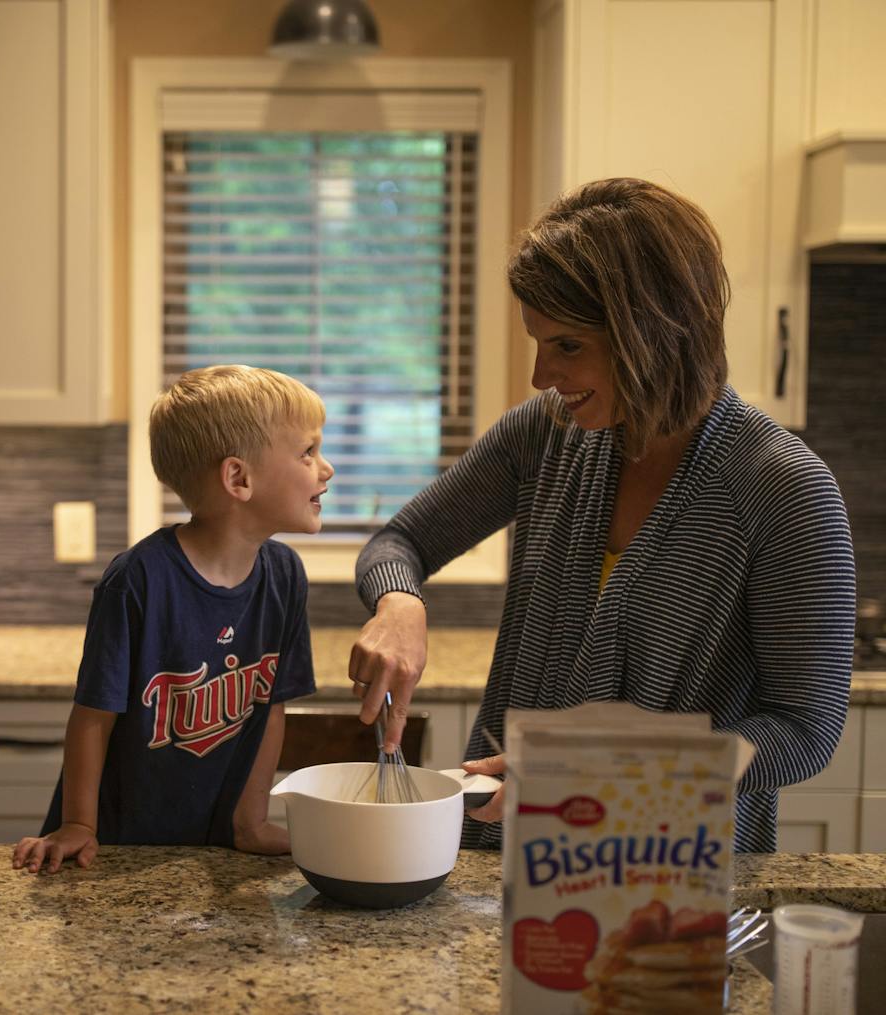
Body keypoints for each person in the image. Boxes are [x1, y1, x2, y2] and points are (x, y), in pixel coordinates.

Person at [347, 178, 855, 853]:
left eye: (566, 346)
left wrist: (606, 773)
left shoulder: (783, 490)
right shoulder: (546, 434)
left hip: (669, 868)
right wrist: (398, 603)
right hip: (501, 851)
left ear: (652, 332)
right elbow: (400, 540)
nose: (539, 376)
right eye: (538, 342)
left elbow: (804, 730)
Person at [13, 365, 334, 873]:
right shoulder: (138, 580)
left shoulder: (286, 576)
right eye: (308, 452)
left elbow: (271, 707)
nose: (326, 468)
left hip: (215, 846)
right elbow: (93, 717)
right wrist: (79, 825)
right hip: (119, 847)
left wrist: (250, 822)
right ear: (239, 478)